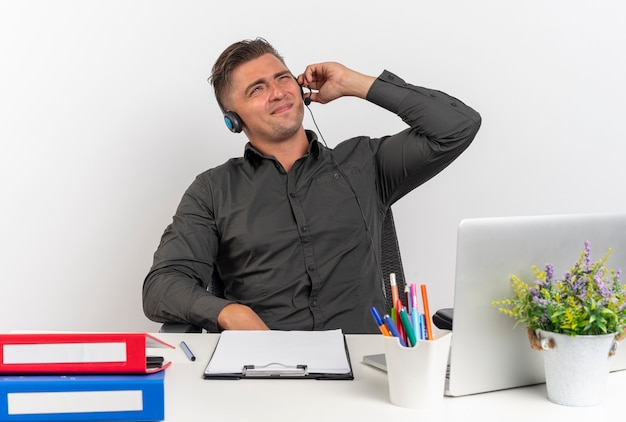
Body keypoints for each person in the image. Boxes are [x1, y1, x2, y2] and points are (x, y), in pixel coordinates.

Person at [142, 37, 481, 334]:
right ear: (234, 119)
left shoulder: (365, 162)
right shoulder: (212, 190)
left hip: (366, 370)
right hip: (269, 371)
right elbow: (161, 286)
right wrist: (228, 312)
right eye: (257, 89)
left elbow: (458, 126)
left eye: (282, 78)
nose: (277, 92)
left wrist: (353, 82)